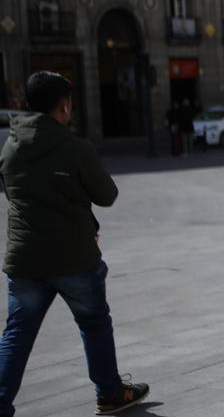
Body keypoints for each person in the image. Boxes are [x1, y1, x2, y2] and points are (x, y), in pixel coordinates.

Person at [0, 72, 149, 415]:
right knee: (94, 322)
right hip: (74, 256)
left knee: (17, 334)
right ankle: (110, 393)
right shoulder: (75, 148)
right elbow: (107, 195)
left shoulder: (10, 147)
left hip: (24, 260)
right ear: (64, 104)